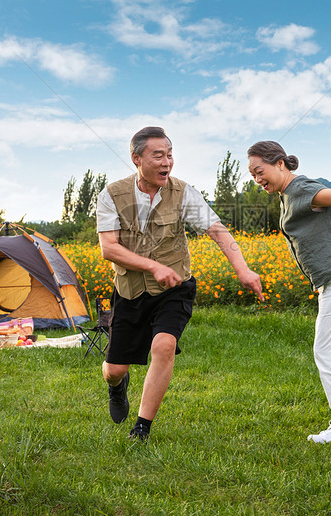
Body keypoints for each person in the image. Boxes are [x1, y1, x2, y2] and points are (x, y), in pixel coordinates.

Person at [97, 126, 264, 442]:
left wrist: (243, 270)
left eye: (170, 154)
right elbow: (109, 248)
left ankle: (142, 428)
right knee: (115, 368)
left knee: (164, 344)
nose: (166, 162)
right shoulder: (112, 195)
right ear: (137, 158)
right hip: (130, 292)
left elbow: (217, 230)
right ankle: (117, 388)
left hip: (175, 287)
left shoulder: (183, 192)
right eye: (158, 155)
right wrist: (152, 266)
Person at [247, 141, 331, 443]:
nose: (257, 179)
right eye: (252, 176)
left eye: (259, 171)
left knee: (328, 352)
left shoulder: (300, 188)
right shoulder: (289, 195)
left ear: (280, 163)